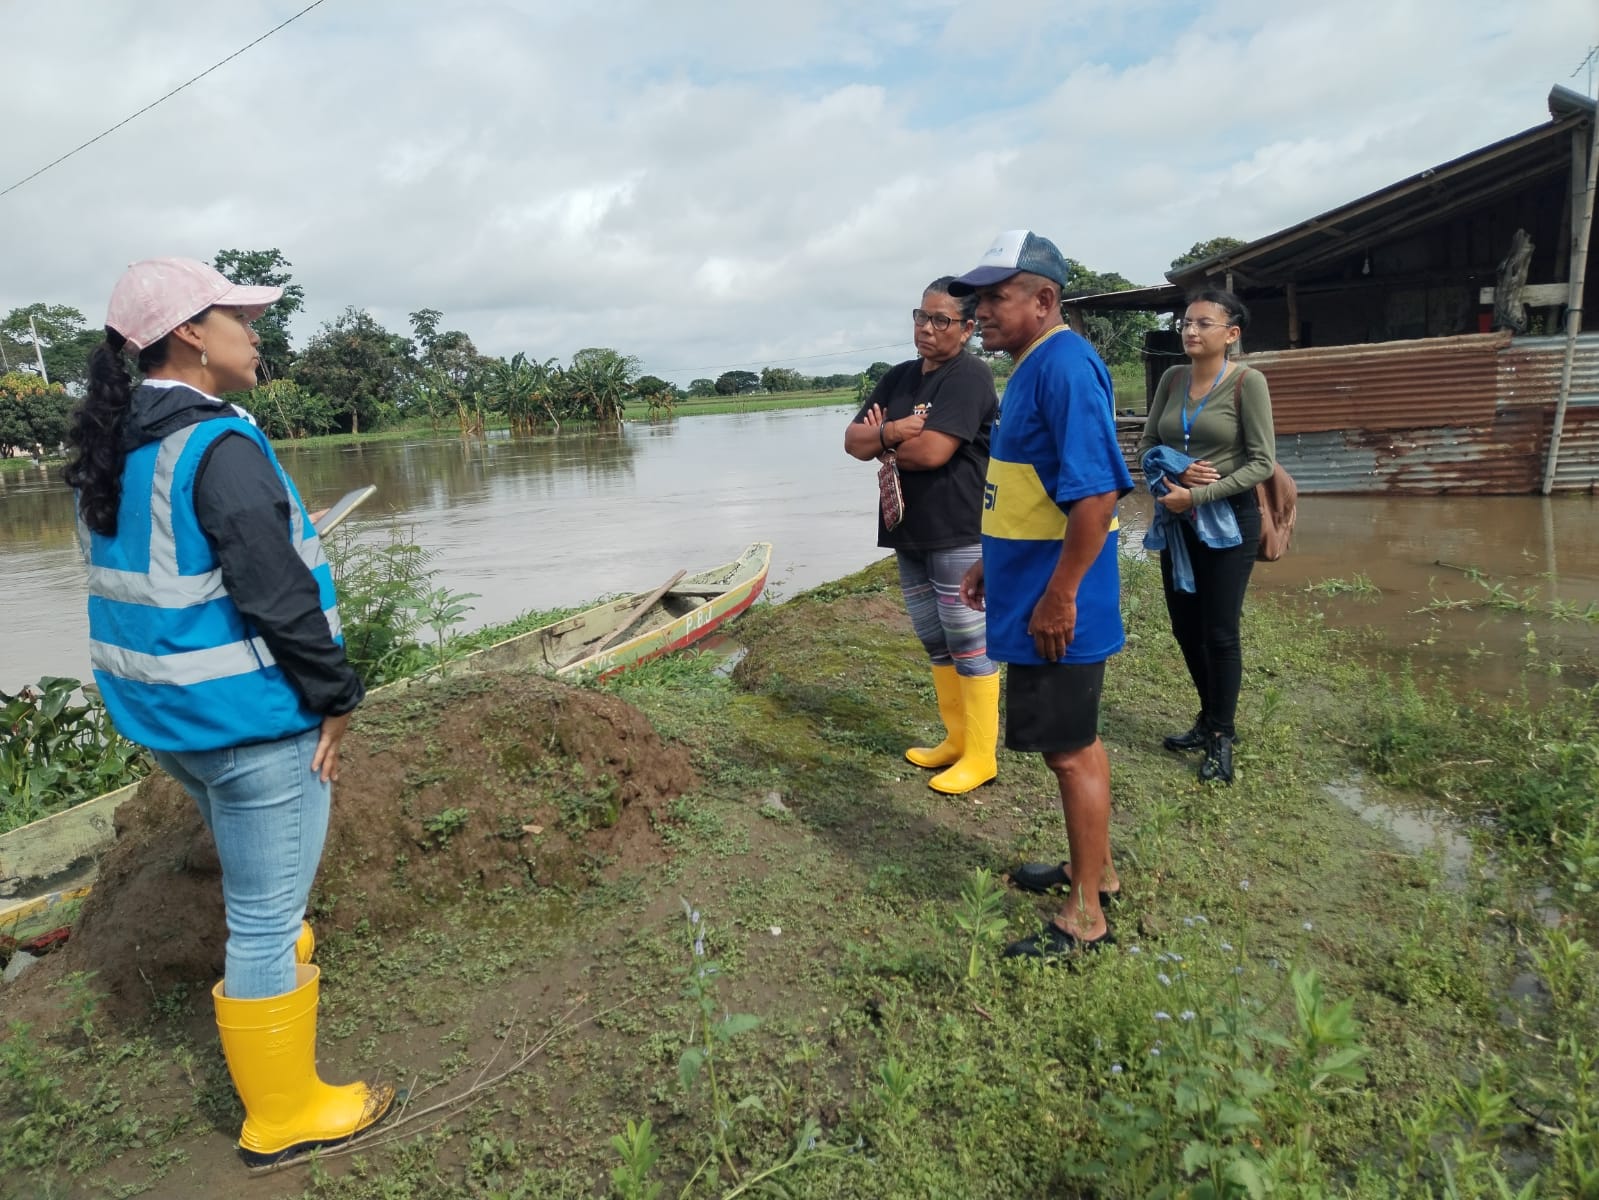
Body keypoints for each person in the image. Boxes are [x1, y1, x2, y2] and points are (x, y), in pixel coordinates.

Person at [63, 258, 394, 1166]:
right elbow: (274, 594)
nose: (255, 333)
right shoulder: (217, 445)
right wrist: (335, 697)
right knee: (262, 921)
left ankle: (283, 981)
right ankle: (282, 1113)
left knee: (265, 904)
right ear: (190, 335)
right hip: (252, 725)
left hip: (170, 720)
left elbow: (179, 566)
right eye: (238, 318)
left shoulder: (117, 444)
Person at [949, 231, 1133, 958]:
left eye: (996, 297)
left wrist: (1060, 596)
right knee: (1075, 744)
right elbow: (1030, 486)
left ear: (1044, 299)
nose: (981, 313)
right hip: (1027, 586)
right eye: (977, 299)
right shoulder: (1032, 364)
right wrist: (992, 562)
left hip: (1056, 606)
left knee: (1069, 753)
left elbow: (1097, 493)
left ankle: (1084, 915)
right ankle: (1098, 871)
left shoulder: (1063, 367)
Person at [845, 277, 1000, 794]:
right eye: (921, 316)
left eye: (941, 320)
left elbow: (933, 452)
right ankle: (956, 740)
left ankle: (981, 755)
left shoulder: (970, 376)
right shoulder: (899, 377)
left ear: (968, 328)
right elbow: (853, 442)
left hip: (959, 529)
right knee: (935, 640)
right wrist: (893, 432)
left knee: (968, 642)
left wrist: (881, 442)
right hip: (906, 528)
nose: (927, 328)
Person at [1136, 289, 1275, 785]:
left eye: (1203, 324)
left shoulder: (1247, 383)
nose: (1190, 331)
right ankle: (1208, 715)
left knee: (1220, 631)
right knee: (1184, 626)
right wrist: (1172, 475)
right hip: (1177, 521)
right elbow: (1148, 442)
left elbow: (1262, 462)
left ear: (1231, 334)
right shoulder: (1172, 379)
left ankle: (1221, 734)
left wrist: (1197, 495)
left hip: (1229, 522)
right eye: (1186, 323)